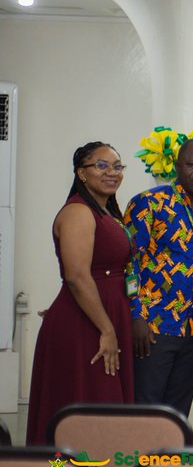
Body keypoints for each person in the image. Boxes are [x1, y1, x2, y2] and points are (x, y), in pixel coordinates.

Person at [26, 142, 133, 445]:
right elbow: (76, 276)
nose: (111, 172)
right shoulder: (78, 211)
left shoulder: (105, 210)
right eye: (102, 165)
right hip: (89, 325)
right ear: (81, 173)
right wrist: (107, 329)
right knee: (77, 413)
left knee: (96, 419)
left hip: (97, 315)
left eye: (117, 166)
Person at [124, 138, 193, 417]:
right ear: (177, 166)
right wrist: (135, 316)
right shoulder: (148, 203)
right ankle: (139, 461)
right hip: (153, 327)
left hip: (192, 329)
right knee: (147, 411)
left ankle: (167, 461)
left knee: (177, 413)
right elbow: (129, 264)